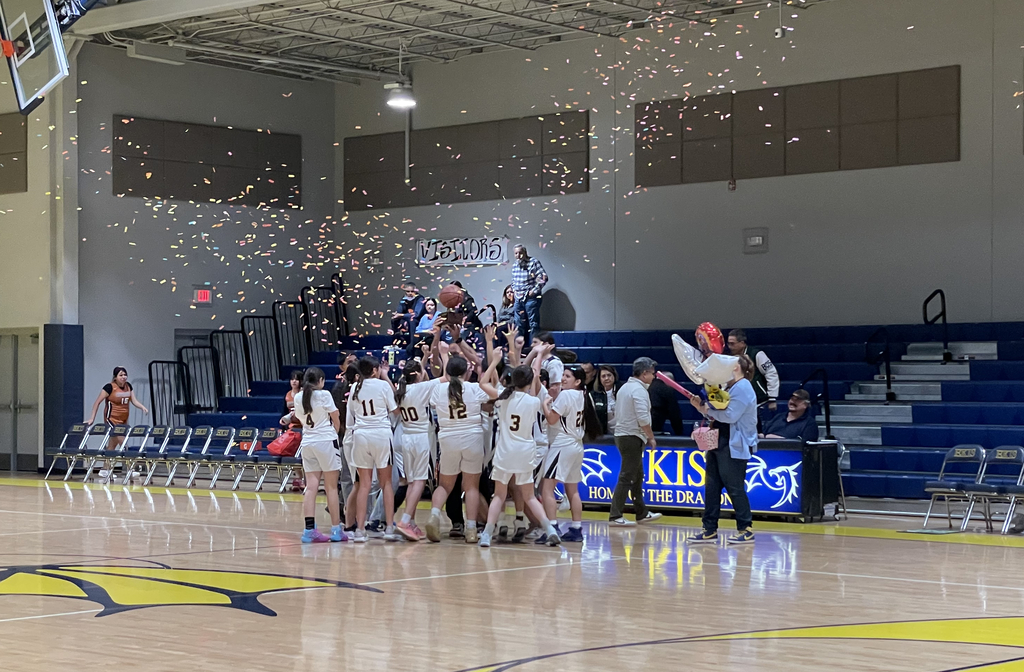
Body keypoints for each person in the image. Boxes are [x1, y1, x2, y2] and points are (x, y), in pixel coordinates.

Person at [481, 362, 561, 548]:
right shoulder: (534, 401)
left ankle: (486, 534)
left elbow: (483, 383)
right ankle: (550, 530)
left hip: (505, 451)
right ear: (530, 381)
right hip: (525, 451)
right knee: (530, 496)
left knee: (499, 496)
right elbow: (532, 391)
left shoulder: (502, 396)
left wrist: (494, 362)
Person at [426, 352, 500, 543]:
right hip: (472, 438)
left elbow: (434, 405)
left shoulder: (438, 390)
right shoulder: (474, 388)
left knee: (445, 485)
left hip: (448, 437)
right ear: (466, 372)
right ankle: (471, 529)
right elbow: (495, 391)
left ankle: (434, 516)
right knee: (471, 486)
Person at [687, 356, 758, 545]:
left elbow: (730, 415)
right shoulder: (729, 387)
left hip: (733, 444)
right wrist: (701, 407)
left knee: (734, 487)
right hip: (719, 441)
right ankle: (709, 529)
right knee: (711, 487)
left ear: (735, 367)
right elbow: (717, 413)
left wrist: (706, 409)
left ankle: (746, 528)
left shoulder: (743, 387)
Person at [541, 366, 602, 543]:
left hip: (563, 444)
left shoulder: (566, 395)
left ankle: (552, 528)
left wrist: (546, 405)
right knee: (572, 490)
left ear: (577, 381)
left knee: (547, 488)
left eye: (568, 376)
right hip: (577, 445)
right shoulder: (584, 395)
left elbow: (552, 420)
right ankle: (576, 528)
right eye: (563, 375)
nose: (563, 379)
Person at [347, 355, 400, 543]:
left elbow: (351, 417)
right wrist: (387, 378)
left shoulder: (354, 387)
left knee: (364, 484)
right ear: (376, 370)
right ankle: (389, 528)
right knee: (386, 484)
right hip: (381, 435)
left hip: (361, 435)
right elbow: (395, 410)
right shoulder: (383, 386)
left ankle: (360, 530)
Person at [291, 367, 345, 544]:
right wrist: (335, 431)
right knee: (331, 487)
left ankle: (309, 530)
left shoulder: (298, 397)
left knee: (311, 487)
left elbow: (299, 418)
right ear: (320, 380)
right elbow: (335, 416)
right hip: (326, 441)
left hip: (308, 442)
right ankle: (336, 529)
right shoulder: (324, 395)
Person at [608, 357, 662, 527]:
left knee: (637, 476)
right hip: (632, 437)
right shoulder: (639, 391)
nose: (653, 377)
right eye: (652, 374)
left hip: (624, 435)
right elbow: (643, 418)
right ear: (644, 373)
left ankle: (642, 513)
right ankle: (615, 515)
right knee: (626, 476)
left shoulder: (625, 387)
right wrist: (651, 437)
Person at [393, 358, 443, 541]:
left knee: (412, 482)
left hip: (406, 437)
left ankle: (411, 522)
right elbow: (446, 377)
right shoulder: (421, 388)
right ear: (418, 374)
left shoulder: (402, 389)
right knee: (420, 482)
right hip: (421, 438)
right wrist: (443, 355)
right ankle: (405, 521)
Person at [86, 367, 149, 448]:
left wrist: (142, 407)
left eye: (125, 375)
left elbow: (134, 401)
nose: (123, 377)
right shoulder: (109, 387)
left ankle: (107, 457)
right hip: (112, 419)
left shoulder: (128, 386)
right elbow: (97, 403)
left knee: (113, 444)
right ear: (115, 377)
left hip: (123, 419)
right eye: (121, 375)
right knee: (122, 441)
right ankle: (126, 458)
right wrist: (92, 419)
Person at [727, 329, 780, 410]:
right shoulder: (729, 357)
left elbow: (771, 373)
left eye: (732, 344)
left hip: (760, 401)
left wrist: (772, 398)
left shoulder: (757, 354)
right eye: (728, 343)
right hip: (739, 401)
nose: (730, 347)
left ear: (742, 343)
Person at [510, 244, 548, 346]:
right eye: (516, 253)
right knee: (518, 323)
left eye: (520, 253)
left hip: (530, 297)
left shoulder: (533, 262)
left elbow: (543, 277)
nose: (518, 255)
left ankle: (535, 347)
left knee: (533, 323)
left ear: (525, 253)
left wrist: (534, 291)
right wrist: (514, 290)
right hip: (518, 297)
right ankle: (519, 348)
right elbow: (513, 281)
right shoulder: (515, 265)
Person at [649, 372, 684, 436]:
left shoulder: (650, 386)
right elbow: (674, 413)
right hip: (655, 422)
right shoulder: (667, 390)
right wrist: (679, 433)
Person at [590, 365, 620, 435]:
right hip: (603, 433)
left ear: (614, 376)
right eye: (603, 376)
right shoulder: (593, 395)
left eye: (609, 375)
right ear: (599, 379)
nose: (606, 378)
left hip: (622, 432)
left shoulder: (623, 390)